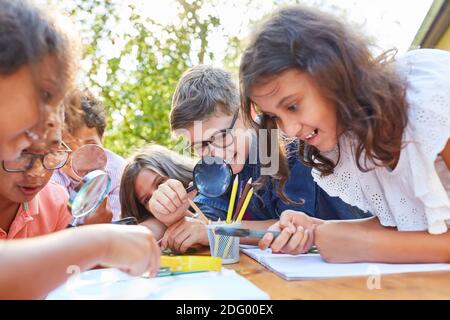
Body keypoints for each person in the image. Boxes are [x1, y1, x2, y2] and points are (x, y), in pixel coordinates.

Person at [239, 5, 450, 262]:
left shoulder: (427, 98)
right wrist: (316, 229)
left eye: (293, 106)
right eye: (275, 116)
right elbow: (407, 225)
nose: (290, 130)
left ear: (332, 74)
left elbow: (390, 241)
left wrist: (367, 246)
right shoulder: (350, 140)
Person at [0, 0, 159, 299]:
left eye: (56, 99)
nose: (50, 119)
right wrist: (100, 243)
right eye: (45, 94)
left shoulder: (55, 202)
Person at [146, 65, 368, 253]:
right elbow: (207, 218)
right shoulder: (219, 166)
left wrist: (217, 231)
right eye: (199, 146)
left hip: (355, 254)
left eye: (221, 137)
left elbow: (288, 226)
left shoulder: (280, 145)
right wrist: (176, 213)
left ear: (247, 112)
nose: (213, 154)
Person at [52, 88, 126, 222]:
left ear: (102, 138)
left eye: (89, 145)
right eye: (67, 148)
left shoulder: (118, 172)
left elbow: (118, 226)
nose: (81, 158)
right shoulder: (50, 175)